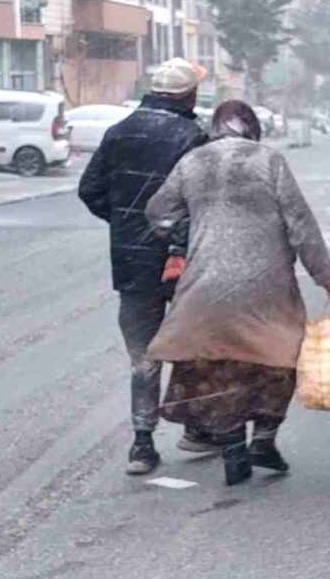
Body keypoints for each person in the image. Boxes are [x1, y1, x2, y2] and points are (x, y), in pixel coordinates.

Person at [145, 100, 330, 486]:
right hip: (266, 286)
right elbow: (299, 224)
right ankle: (264, 440)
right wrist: (326, 277)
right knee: (278, 360)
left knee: (220, 368)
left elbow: (158, 211)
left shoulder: (192, 162)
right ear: (253, 128)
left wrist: (187, 232)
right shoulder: (269, 162)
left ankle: (234, 449)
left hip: (206, 284)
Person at [78, 58, 211, 475]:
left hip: (132, 262)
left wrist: (124, 221)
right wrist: (179, 240)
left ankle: (142, 443)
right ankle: (196, 427)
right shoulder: (192, 137)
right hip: (183, 262)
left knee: (143, 356)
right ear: (189, 95)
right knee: (193, 346)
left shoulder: (117, 133)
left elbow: (90, 190)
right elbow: (200, 203)